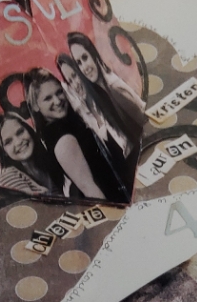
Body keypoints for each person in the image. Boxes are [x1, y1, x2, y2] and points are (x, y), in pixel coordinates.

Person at [25, 68, 127, 203]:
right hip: (112, 200)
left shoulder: (66, 125)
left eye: (59, 92)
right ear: (35, 106)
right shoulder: (62, 138)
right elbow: (88, 188)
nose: (57, 101)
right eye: (47, 98)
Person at [57, 53, 133, 197]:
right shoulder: (85, 120)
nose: (75, 84)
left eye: (74, 76)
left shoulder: (107, 96)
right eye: (69, 81)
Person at [67, 32, 146, 147]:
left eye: (85, 58)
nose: (85, 67)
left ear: (93, 54)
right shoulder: (98, 92)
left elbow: (144, 121)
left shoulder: (114, 87)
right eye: (79, 63)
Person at [0, 112, 63, 196]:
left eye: (20, 132)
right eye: (8, 142)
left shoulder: (44, 164)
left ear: (29, 130)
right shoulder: (7, 178)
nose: (18, 142)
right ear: (3, 152)